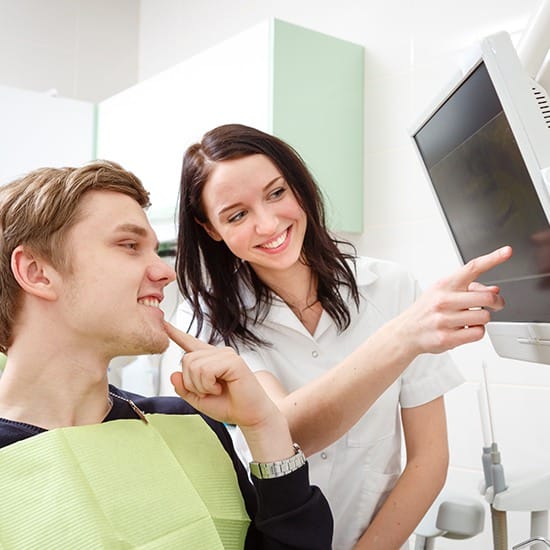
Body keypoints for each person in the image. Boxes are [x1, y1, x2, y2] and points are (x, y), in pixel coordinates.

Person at [175, 124, 512, 549]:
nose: (267, 224)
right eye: (237, 215)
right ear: (210, 229)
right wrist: (404, 336)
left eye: (277, 193)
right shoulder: (204, 317)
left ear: (298, 186)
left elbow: (429, 458)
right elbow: (286, 433)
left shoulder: (391, 287)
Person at [0, 160, 333, 549]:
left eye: (154, 251)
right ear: (38, 272)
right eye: (129, 246)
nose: (165, 272)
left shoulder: (186, 424)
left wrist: (265, 426)